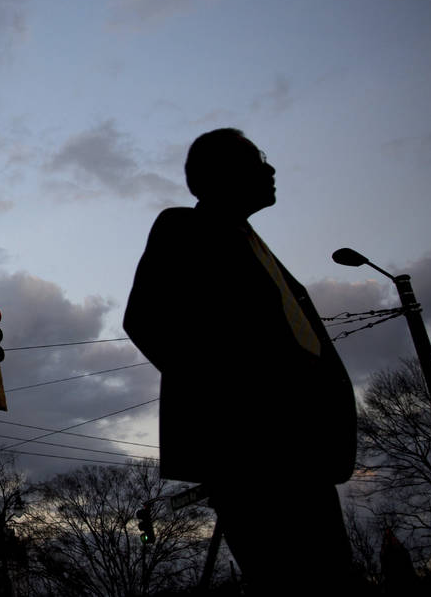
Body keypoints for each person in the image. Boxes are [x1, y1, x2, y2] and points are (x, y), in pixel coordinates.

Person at [123, 128, 357, 593]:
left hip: (306, 455)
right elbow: (146, 319)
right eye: (257, 159)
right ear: (220, 173)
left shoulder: (256, 247)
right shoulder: (183, 227)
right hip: (256, 454)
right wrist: (238, 410)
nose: (270, 170)